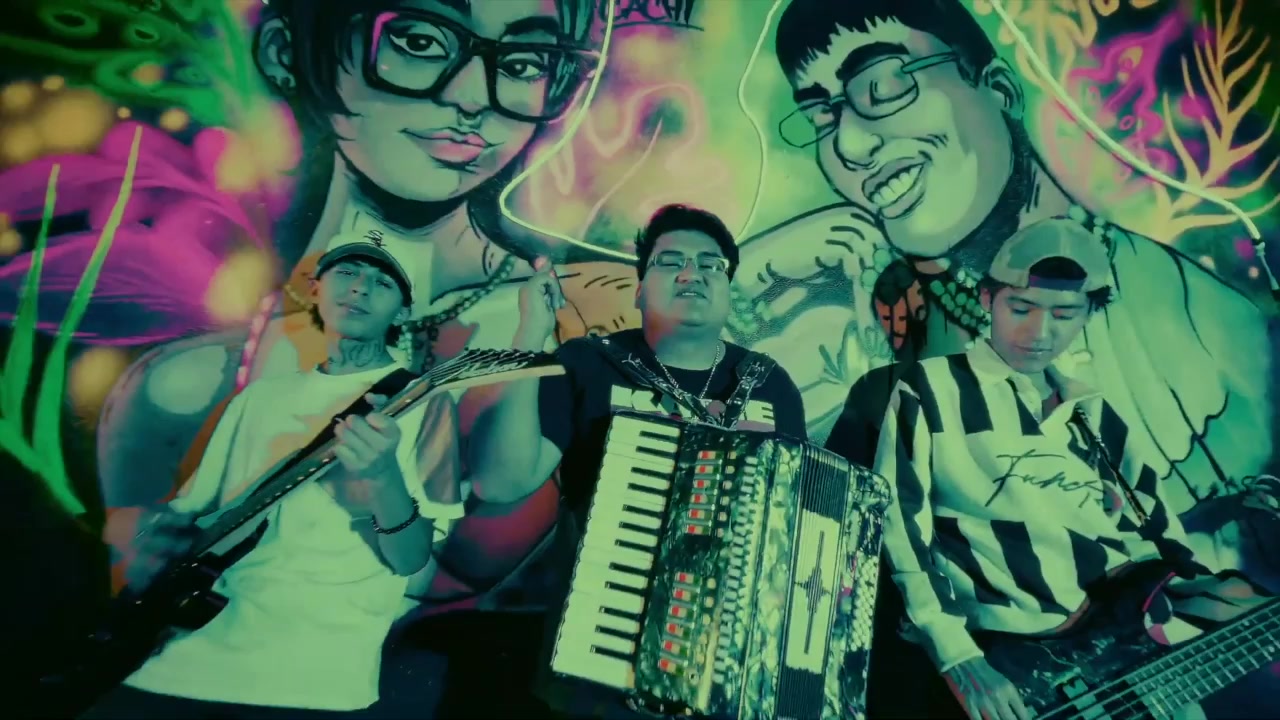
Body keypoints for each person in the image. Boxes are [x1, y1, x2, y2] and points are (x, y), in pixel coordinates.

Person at [871, 219, 1271, 720]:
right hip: (1017, 670)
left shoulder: (1099, 416)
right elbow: (900, 530)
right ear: (988, 298)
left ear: (1089, 313)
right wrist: (957, 655)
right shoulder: (933, 389)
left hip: (1133, 667)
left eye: (1064, 314)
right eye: (1021, 308)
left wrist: (1219, 600)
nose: (1040, 332)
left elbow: (1163, 548)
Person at [80, 231, 464, 719]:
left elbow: (410, 559)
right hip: (189, 650)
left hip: (312, 677)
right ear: (316, 289)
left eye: (383, 282)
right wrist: (142, 540)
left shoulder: (424, 404)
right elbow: (194, 519)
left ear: (402, 312)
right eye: (347, 272)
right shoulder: (259, 399)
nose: (360, 287)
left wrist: (382, 475)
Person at [464, 203, 807, 717]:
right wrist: (531, 334)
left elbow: (792, 527)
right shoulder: (587, 363)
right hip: (602, 656)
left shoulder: (770, 383)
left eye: (711, 265)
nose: (692, 273)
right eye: (670, 262)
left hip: (729, 667)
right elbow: (499, 482)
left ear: (727, 289)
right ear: (639, 290)